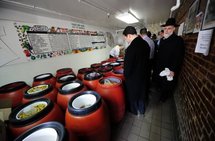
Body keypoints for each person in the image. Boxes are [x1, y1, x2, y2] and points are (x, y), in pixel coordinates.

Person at [152, 18, 185, 102]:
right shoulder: (163, 40)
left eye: (169, 28)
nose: (166, 30)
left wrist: (173, 70)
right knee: (160, 84)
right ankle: (160, 94)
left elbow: (179, 57)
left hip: (169, 68)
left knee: (166, 86)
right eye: (165, 28)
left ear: (174, 29)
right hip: (160, 66)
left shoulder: (178, 40)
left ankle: (163, 99)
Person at [123, 26, 150, 115]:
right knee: (142, 94)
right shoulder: (146, 44)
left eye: (125, 37)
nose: (126, 40)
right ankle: (142, 110)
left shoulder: (130, 49)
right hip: (144, 75)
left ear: (129, 35)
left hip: (133, 78)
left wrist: (125, 77)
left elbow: (127, 68)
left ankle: (134, 110)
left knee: (133, 95)